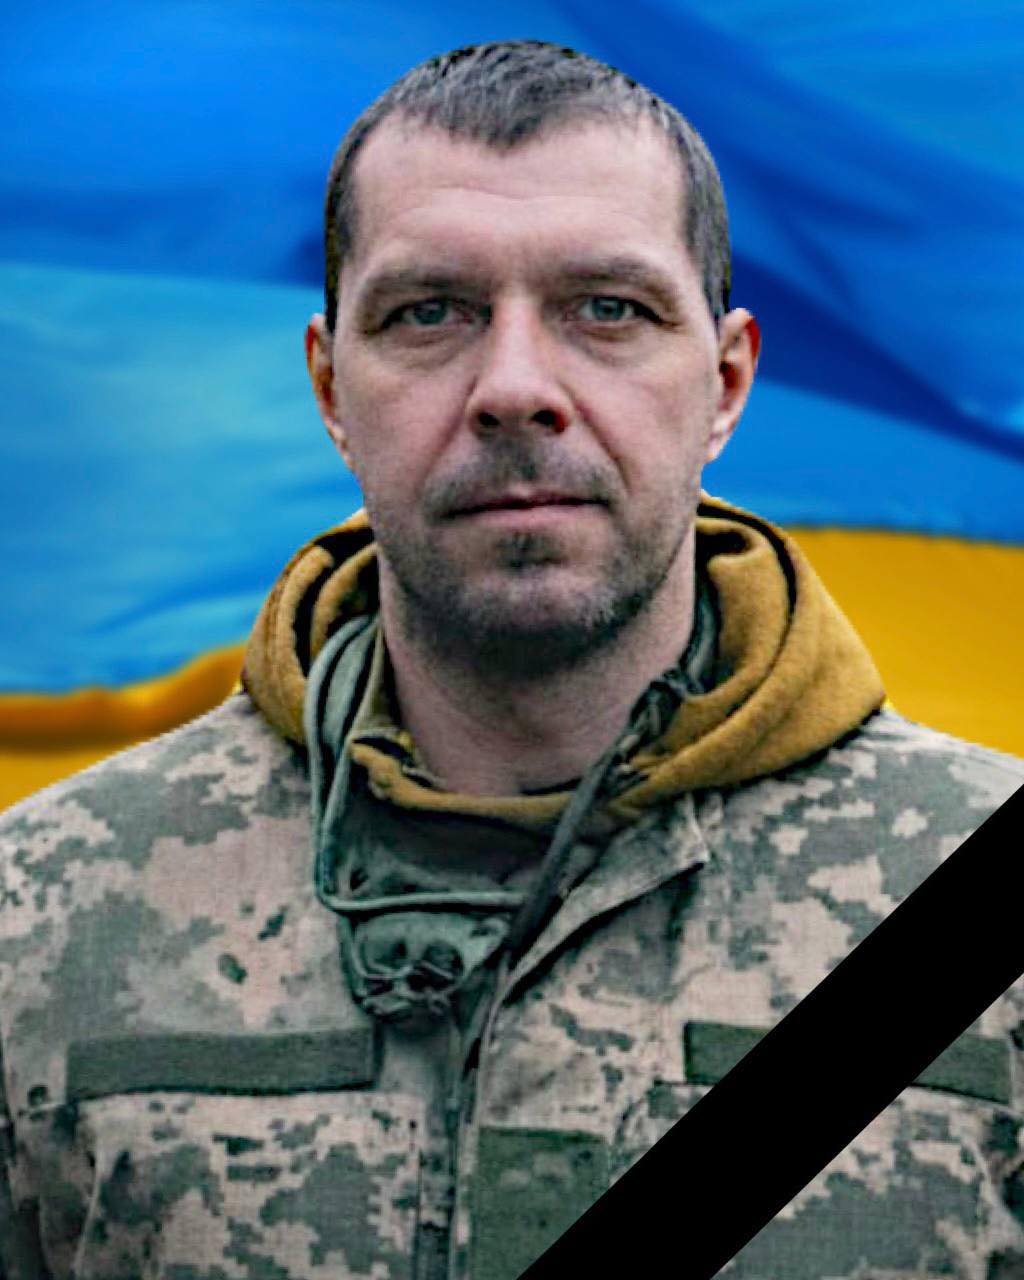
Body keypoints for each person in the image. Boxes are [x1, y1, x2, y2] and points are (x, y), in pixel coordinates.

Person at [0, 39, 1021, 1280]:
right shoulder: (37, 915)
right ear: (329, 386)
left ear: (724, 383)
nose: (516, 387)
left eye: (608, 309)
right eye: (430, 312)